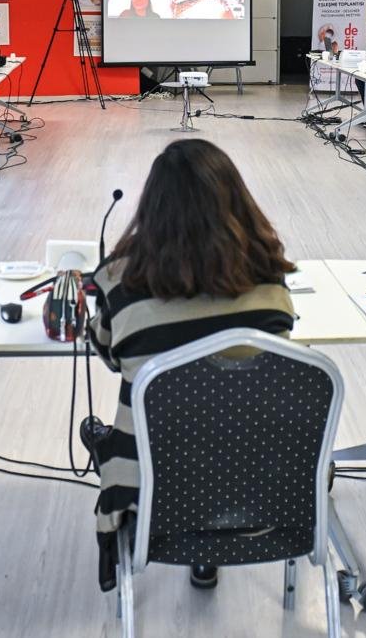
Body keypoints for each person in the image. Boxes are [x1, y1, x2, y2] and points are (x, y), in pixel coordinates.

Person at [88, 140, 297, 593]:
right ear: (237, 200)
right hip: (265, 484)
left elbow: (108, 354)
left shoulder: (120, 283)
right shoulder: (271, 282)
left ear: (152, 207)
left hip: (154, 490)